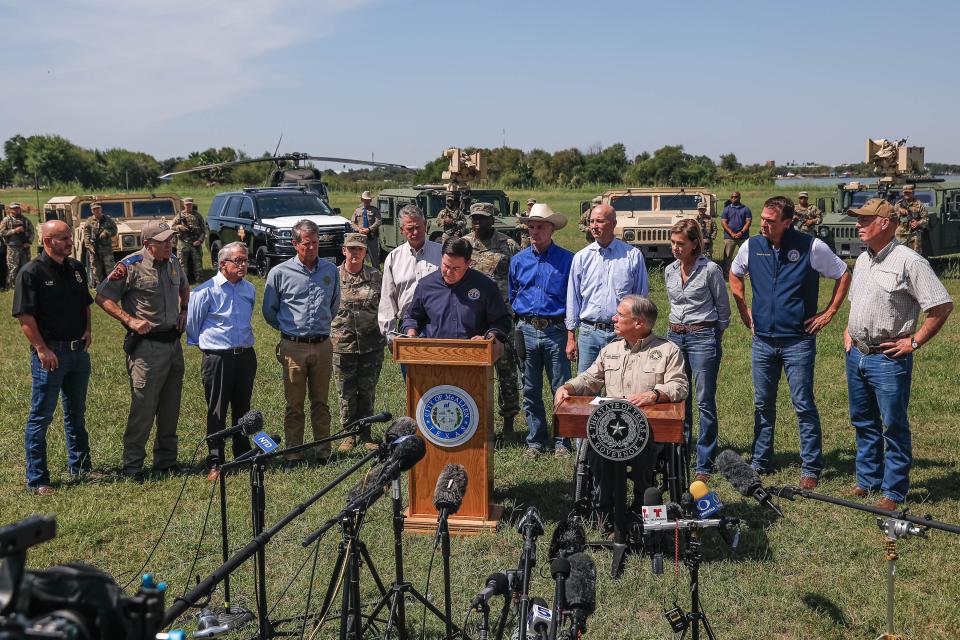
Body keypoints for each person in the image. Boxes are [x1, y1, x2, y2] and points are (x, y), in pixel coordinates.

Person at [729, 196, 850, 489]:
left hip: (798, 341)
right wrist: (745, 310)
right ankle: (760, 460)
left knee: (803, 403)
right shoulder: (752, 246)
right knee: (762, 404)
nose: (764, 225)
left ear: (788, 221)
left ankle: (811, 467)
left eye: (771, 221)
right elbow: (734, 275)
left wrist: (829, 312)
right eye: (763, 220)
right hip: (763, 342)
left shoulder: (811, 246)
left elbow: (843, 273)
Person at [843, 198, 953, 511]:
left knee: (893, 425)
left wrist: (914, 342)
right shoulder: (864, 259)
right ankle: (867, 480)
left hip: (889, 359)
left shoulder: (910, 261)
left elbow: (941, 306)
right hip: (858, 355)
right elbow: (857, 301)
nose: (858, 225)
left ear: (886, 223)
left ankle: (893, 490)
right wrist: (848, 331)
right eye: (858, 220)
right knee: (863, 421)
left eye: (865, 220)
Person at [555, 295, 688, 537]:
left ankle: (640, 511)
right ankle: (605, 514)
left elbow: (679, 385)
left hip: (647, 431)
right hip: (610, 429)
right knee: (598, 453)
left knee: (644, 456)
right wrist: (568, 387)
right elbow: (590, 379)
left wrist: (655, 394)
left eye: (620, 315)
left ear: (638, 323)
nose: (613, 318)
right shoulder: (610, 350)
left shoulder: (667, 351)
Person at [95, 220, 189, 481]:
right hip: (147, 349)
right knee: (143, 408)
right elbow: (103, 297)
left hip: (173, 344)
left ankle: (167, 462)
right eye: (164, 241)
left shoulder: (173, 262)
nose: (169, 244)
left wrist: (184, 310)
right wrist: (130, 320)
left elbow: (183, 286)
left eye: (171, 240)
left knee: (171, 408)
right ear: (148, 244)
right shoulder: (130, 266)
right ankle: (133, 467)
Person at [13, 220, 99, 495]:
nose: (69, 242)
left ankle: (81, 466)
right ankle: (38, 479)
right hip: (50, 354)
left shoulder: (75, 268)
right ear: (48, 241)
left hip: (77, 353)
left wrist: (87, 329)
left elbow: (85, 303)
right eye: (63, 238)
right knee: (41, 417)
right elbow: (25, 317)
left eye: (69, 238)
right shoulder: (31, 272)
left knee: (76, 413)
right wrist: (42, 349)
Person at [262, 219, 340, 465]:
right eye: (306, 244)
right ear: (295, 244)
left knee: (321, 402)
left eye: (316, 243)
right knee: (294, 403)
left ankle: (322, 451)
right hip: (293, 347)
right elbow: (269, 310)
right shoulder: (280, 273)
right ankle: (293, 452)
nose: (312, 248)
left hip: (322, 345)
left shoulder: (330, 271)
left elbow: (334, 306)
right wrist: (289, 331)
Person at [664, 219, 730, 480]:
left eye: (680, 243)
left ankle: (704, 461)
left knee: (704, 401)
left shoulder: (710, 270)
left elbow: (723, 309)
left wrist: (715, 335)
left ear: (694, 244)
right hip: (675, 337)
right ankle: (680, 453)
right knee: (680, 397)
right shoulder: (669, 270)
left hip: (703, 336)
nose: (675, 248)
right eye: (672, 243)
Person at [186, 241, 256, 479]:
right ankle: (216, 460)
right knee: (217, 410)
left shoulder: (250, 289)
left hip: (245, 356)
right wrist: (212, 350)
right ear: (222, 264)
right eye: (238, 261)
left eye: (245, 260)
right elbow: (193, 328)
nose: (243, 265)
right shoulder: (204, 291)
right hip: (218, 358)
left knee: (243, 408)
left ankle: (242, 454)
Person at [509, 203, 574, 458]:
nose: (534, 232)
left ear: (552, 229)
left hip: (555, 330)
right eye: (531, 227)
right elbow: (513, 293)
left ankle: (562, 442)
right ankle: (536, 440)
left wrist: (571, 333)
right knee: (529, 388)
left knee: (561, 388)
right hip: (525, 328)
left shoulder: (567, 260)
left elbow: (572, 298)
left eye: (540, 227)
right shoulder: (518, 260)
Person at [566, 203, 649, 374]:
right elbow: (573, 298)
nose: (594, 226)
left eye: (600, 221)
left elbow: (641, 299)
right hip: (589, 334)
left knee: (621, 387)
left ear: (613, 223)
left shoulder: (632, 256)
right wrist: (571, 337)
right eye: (592, 221)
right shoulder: (581, 257)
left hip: (621, 334)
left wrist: (639, 334)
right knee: (586, 389)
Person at [463, 201, 521, 439]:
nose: (478, 222)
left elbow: (519, 277)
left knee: (507, 372)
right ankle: (476, 423)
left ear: (492, 219)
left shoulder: (508, 245)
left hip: (502, 318)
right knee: (473, 374)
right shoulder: (464, 245)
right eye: (475, 218)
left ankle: (508, 423)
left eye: (483, 218)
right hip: (472, 319)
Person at [331, 233, 385, 453]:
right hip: (342, 345)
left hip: (371, 344)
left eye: (359, 249)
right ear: (344, 250)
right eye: (351, 249)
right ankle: (348, 434)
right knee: (345, 391)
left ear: (365, 252)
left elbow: (386, 306)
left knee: (367, 390)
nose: (355, 253)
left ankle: (365, 434)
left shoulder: (375, 276)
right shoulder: (333, 277)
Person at [402, 237, 510, 341]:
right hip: (435, 354)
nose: (449, 273)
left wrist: (488, 336)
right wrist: (411, 331)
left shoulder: (485, 286)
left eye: (456, 268)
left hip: (474, 352)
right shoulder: (426, 285)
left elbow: (501, 321)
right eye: (446, 266)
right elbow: (412, 318)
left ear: (468, 263)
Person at [378, 205, 441, 345]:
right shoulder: (394, 258)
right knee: (410, 368)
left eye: (418, 227)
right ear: (402, 230)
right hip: (407, 327)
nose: (415, 232)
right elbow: (387, 298)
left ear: (425, 225)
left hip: (438, 325)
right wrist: (390, 335)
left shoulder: (442, 253)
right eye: (410, 228)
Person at [81, 202, 118, 286]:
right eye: (94, 209)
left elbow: (114, 230)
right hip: (94, 249)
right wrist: (89, 246)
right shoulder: (89, 221)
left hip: (106, 249)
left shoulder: (108, 219)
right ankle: (100, 286)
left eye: (98, 208)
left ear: (101, 209)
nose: (96, 210)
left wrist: (107, 233)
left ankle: (112, 285)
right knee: (96, 270)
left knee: (110, 267)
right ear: (92, 211)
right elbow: (86, 234)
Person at [1, 202, 36, 290]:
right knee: (13, 267)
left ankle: (25, 284)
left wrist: (29, 242)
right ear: (10, 210)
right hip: (12, 247)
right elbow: (2, 233)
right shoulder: (6, 220)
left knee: (26, 266)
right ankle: (12, 286)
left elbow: (32, 232)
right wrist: (14, 231)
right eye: (14, 208)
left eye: (17, 208)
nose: (16, 210)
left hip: (25, 247)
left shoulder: (26, 220)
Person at [172, 197, 205, 284]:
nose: (188, 206)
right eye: (187, 205)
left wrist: (200, 241)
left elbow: (203, 230)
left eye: (190, 205)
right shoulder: (179, 216)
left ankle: (199, 280)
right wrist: (179, 227)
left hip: (195, 243)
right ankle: (184, 281)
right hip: (183, 242)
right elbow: (172, 227)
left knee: (198, 262)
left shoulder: (197, 216)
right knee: (182, 263)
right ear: (184, 205)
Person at [720, 191, 752, 274]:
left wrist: (741, 232)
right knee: (728, 256)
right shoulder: (726, 209)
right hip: (729, 237)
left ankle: (748, 272)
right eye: (732, 197)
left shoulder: (745, 209)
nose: (734, 199)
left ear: (739, 198)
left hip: (743, 236)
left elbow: (748, 222)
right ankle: (727, 272)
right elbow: (723, 222)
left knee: (746, 254)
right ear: (730, 198)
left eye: (736, 197)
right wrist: (732, 233)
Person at [893, 184, 929, 253]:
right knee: (898, 253)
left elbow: (926, 218)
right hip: (900, 233)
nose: (907, 194)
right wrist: (899, 212)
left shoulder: (919, 204)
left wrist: (918, 223)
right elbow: (892, 217)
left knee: (915, 254)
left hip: (914, 234)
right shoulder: (898, 204)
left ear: (913, 193)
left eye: (909, 192)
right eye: (905, 192)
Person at [350, 190, 382, 268]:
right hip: (360, 237)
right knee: (359, 257)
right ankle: (361, 274)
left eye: (368, 200)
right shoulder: (357, 210)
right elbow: (352, 222)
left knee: (374, 258)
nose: (366, 201)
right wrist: (358, 229)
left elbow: (378, 221)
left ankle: (377, 275)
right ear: (362, 200)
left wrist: (369, 229)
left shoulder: (375, 210)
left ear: (370, 200)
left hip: (371, 237)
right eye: (364, 200)